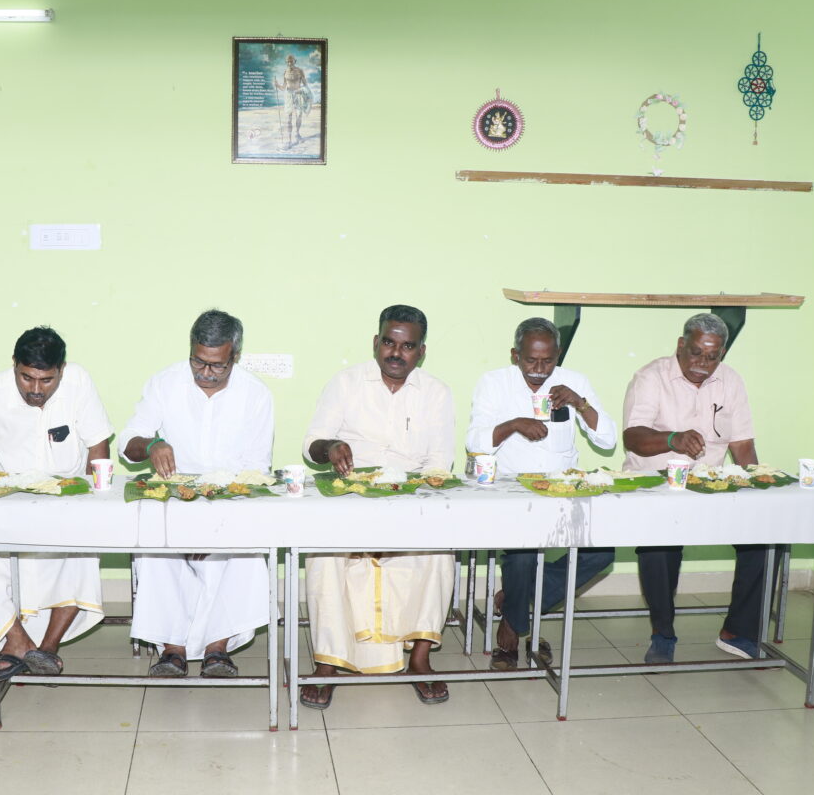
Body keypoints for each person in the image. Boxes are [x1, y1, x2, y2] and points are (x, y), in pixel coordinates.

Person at [300, 304, 454, 709]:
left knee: (441, 549)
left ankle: (419, 659)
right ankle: (327, 663)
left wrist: (405, 508)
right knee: (324, 554)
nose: (396, 353)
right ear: (376, 342)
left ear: (421, 351)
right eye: (389, 342)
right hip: (351, 499)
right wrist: (331, 447)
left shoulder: (436, 393)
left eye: (408, 346)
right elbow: (311, 444)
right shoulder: (346, 383)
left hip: (409, 501)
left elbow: (439, 463)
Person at [0, 327, 113, 681]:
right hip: (8, 500)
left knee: (81, 546)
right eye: (26, 378)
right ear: (14, 365)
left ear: (62, 370)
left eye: (47, 380)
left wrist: (94, 499)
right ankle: (18, 641)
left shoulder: (79, 381)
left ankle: (48, 648)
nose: (36, 389)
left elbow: (98, 444)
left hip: (67, 497)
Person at [120, 309, 273, 678]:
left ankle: (217, 649)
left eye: (217, 365)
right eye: (197, 362)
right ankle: (171, 649)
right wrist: (152, 444)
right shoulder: (164, 383)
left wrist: (213, 527)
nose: (205, 372)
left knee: (244, 553)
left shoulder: (255, 395)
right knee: (153, 550)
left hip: (230, 506)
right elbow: (127, 444)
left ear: (235, 356)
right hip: (173, 504)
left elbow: (255, 473)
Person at [466, 317, 617, 670]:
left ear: (557, 355)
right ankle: (516, 624)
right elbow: (474, 443)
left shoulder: (574, 382)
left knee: (602, 553)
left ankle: (514, 604)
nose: (539, 369)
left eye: (547, 361)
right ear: (515, 355)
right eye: (531, 360)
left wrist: (580, 403)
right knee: (521, 556)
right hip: (510, 492)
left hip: (562, 493)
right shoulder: (494, 383)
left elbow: (608, 440)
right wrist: (513, 425)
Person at [623, 313, 762, 663]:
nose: (703, 364)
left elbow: (742, 446)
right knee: (658, 545)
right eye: (696, 353)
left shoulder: (731, 381)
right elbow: (633, 437)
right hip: (656, 485)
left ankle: (738, 630)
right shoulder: (650, 377)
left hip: (708, 486)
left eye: (712, 357)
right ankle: (663, 633)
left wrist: (757, 490)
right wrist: (672, 438)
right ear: (681, 345)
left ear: (722, 354)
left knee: (763, 536)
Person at [274, 53, 312, 149]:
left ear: (295, 61)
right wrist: (277, 85)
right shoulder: (285, 72)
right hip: (288, 95)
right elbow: (283, 87)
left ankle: (297, 133)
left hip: (298, 94)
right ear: (286, 62)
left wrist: (304, 93)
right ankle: (289, 139)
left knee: (299, 116)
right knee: (289, 118)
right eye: (288, 62)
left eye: (291, 61)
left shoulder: (300, 71)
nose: (290, 63)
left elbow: (305, 85)